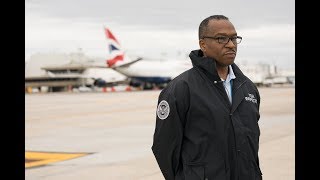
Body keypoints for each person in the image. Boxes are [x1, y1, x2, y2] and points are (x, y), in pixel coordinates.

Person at [151, 15, 262, 180]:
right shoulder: (181, 89)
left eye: (233, 38)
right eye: (221, 39)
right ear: (203, 44)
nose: (231, 45)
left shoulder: (248, 88)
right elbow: (165, 147)